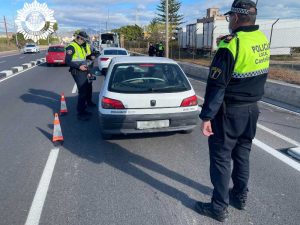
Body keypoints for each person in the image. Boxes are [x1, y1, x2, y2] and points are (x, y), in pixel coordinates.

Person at [195, 0, 270, 222]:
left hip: (229, 113)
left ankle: (218, 207)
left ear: (236, 18)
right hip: (252, 111)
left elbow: (217, 86)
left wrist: (207, 116)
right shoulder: (261, 40)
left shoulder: (231, 45)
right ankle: (240, 197)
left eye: (229, 18)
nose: (229, 22)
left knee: (221, 159)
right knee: (242, 155)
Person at [65, 31, 94, 121]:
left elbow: (83, 60)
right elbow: (67, 61)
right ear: (79, 38)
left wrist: (88, 69)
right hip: (77, 71)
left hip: (83, 70)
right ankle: (80, 113)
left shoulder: (81, 46)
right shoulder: (71, 47)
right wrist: (79, 67)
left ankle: (84, 108)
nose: (84, 41)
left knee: (88, 88)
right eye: (83, 40)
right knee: (82, 92)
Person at [82, 40, 97, 108]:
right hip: (84, 72)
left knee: (89, 88)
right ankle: (84, 103)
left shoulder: (90, 48)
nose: (94, 58)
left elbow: (91, 66)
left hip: (89, 72)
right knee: (84, 88)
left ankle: (89, 102)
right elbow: (85, 66)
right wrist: (88, 73)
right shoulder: (84, 50)